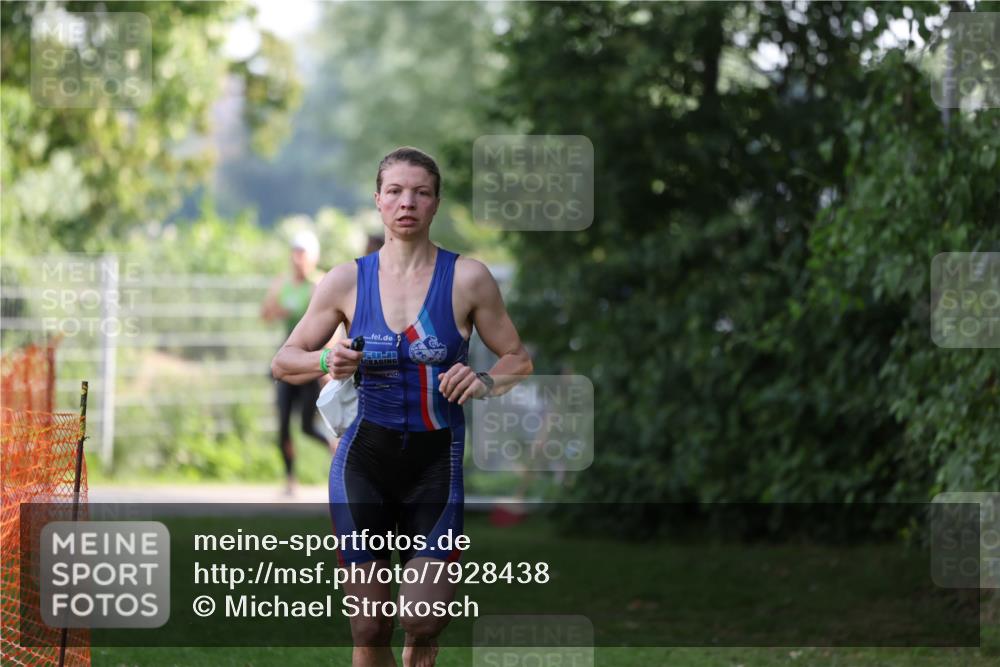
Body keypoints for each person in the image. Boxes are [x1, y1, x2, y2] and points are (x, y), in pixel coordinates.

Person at [271, 147, 532, 667]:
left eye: (420, 192)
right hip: (363, 463)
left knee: (423, 619)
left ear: (435, 203)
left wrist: (483, 380)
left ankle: (421, 644)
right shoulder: (346, 280)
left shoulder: (468, 278)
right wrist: (327, 357)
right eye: (394, 191)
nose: (406, 203)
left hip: (435, 465)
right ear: (378, 201)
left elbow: (518, 360)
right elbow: (284, 360)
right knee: (369, 627)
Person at [261, 229, 333, 496]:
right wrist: (277, 309)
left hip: (311, 363)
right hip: (288, 360)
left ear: (313, 257)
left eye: (302, 253)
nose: (297, 258)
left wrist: (326, 365)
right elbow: (265, 315)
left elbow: (331, 327)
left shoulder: (320, 284)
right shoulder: (282, 283)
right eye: (295, 252)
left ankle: (336, 452)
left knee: (306, 426)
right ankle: (290, 479)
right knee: (282, 423)